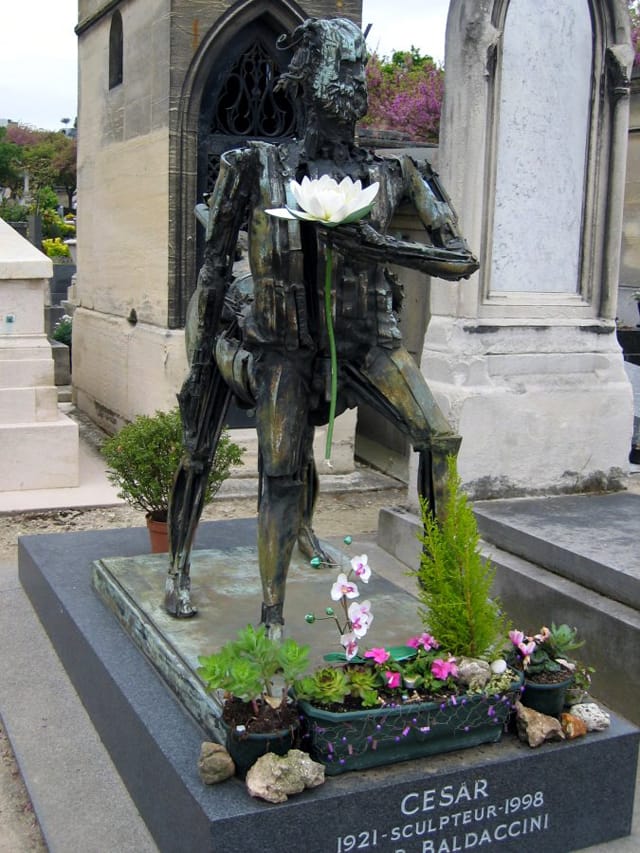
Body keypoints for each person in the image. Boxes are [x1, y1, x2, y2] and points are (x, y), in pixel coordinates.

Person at [164, 17, 478, 636]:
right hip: (282, 344)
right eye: (340, 66)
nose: (353, 81)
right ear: (306, 75)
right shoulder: (254, 165)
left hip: (369, 344)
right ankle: (245, 602)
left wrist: (376, 244)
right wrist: (202, 355)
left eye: (359, 67)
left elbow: (460, 259)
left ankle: (447, 594)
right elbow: (212, 268)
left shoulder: (397, 174)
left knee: (438, 439)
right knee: (268, 466)